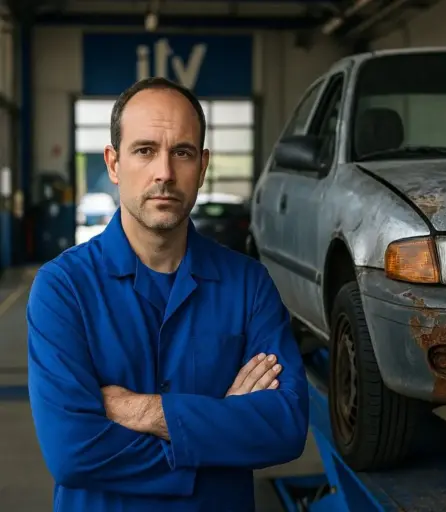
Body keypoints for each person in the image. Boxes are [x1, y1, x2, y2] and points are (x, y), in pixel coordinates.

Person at [26, 77, 309, 512]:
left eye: (182, 152)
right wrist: (220, 429)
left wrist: (143, 411)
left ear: (203, 165)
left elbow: (285, 427)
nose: (165, 172)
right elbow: (73, 453)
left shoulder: (249, 285)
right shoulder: (63, 289)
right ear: (114, 164)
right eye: (144, 150)